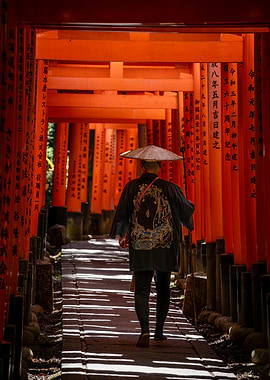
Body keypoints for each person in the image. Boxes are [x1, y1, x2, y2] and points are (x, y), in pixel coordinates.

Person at [109, 147, 194, 348]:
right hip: (165, 242)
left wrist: (121, 234)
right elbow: (186, 212)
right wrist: (188, 205)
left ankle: (144, 330)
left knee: (142, 289)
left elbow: (122, 212)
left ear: (142, 166)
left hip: (141, 243)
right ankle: (159, 331)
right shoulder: (171, 188)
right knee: (163, 287)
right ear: (160, 167)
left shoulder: (131, 187)